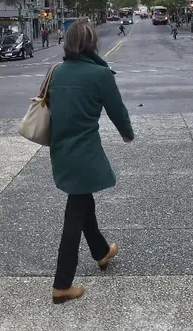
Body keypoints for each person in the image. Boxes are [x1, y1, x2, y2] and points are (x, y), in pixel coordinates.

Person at [47, 19, 134, 304]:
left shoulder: (56, 72)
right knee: (75, 214)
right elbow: (117, 110)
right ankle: (62, 285)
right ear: (92, 43)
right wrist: (127, 134)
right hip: (84, 152)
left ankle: (101, 252)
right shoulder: (100, 74)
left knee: (83, 201)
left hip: (61, 150)